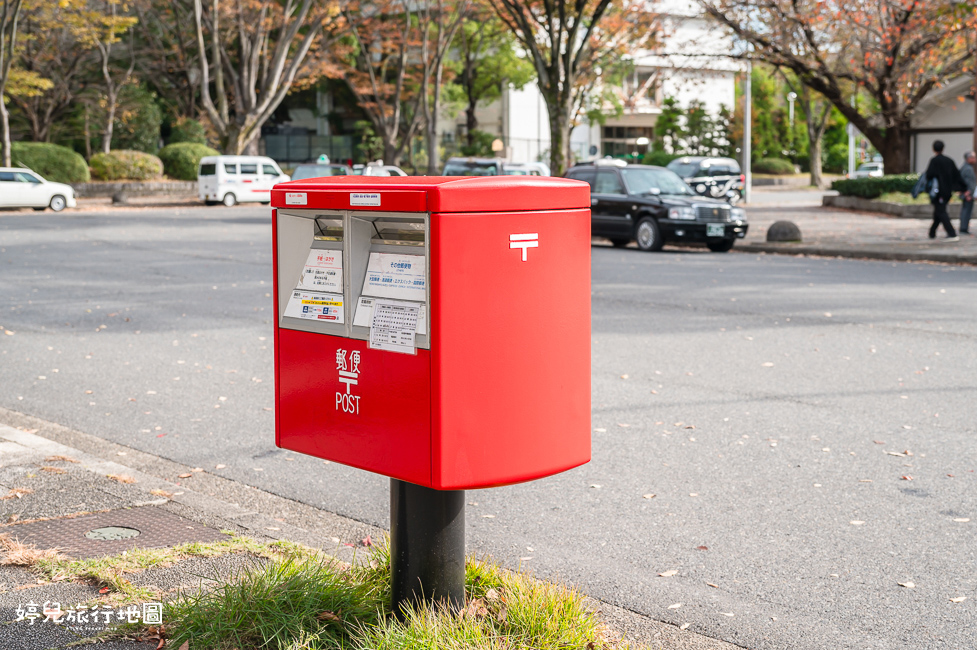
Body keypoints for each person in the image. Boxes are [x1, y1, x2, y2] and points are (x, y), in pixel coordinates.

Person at [924, 140, 966, 241]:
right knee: (938, 211)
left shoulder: (934, 161)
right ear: (943, 148)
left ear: (933, 149)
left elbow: (929, 175)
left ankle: (952, 233)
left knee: (941, 212)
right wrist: (962, 188)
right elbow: (957, 175)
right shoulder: (949, 161)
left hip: (938, 192)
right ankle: (932, 233)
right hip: (947, 191)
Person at [959, 151, 976, 235]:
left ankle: (964, 227)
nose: (975, 159)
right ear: (969, 158)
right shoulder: (968, 168)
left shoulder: (965, 167)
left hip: (966, 193)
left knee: (966, 210)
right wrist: (968, 193)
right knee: (966, 211)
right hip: (968, 194)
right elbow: (968, 182)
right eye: (974, 157)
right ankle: (963, 228)